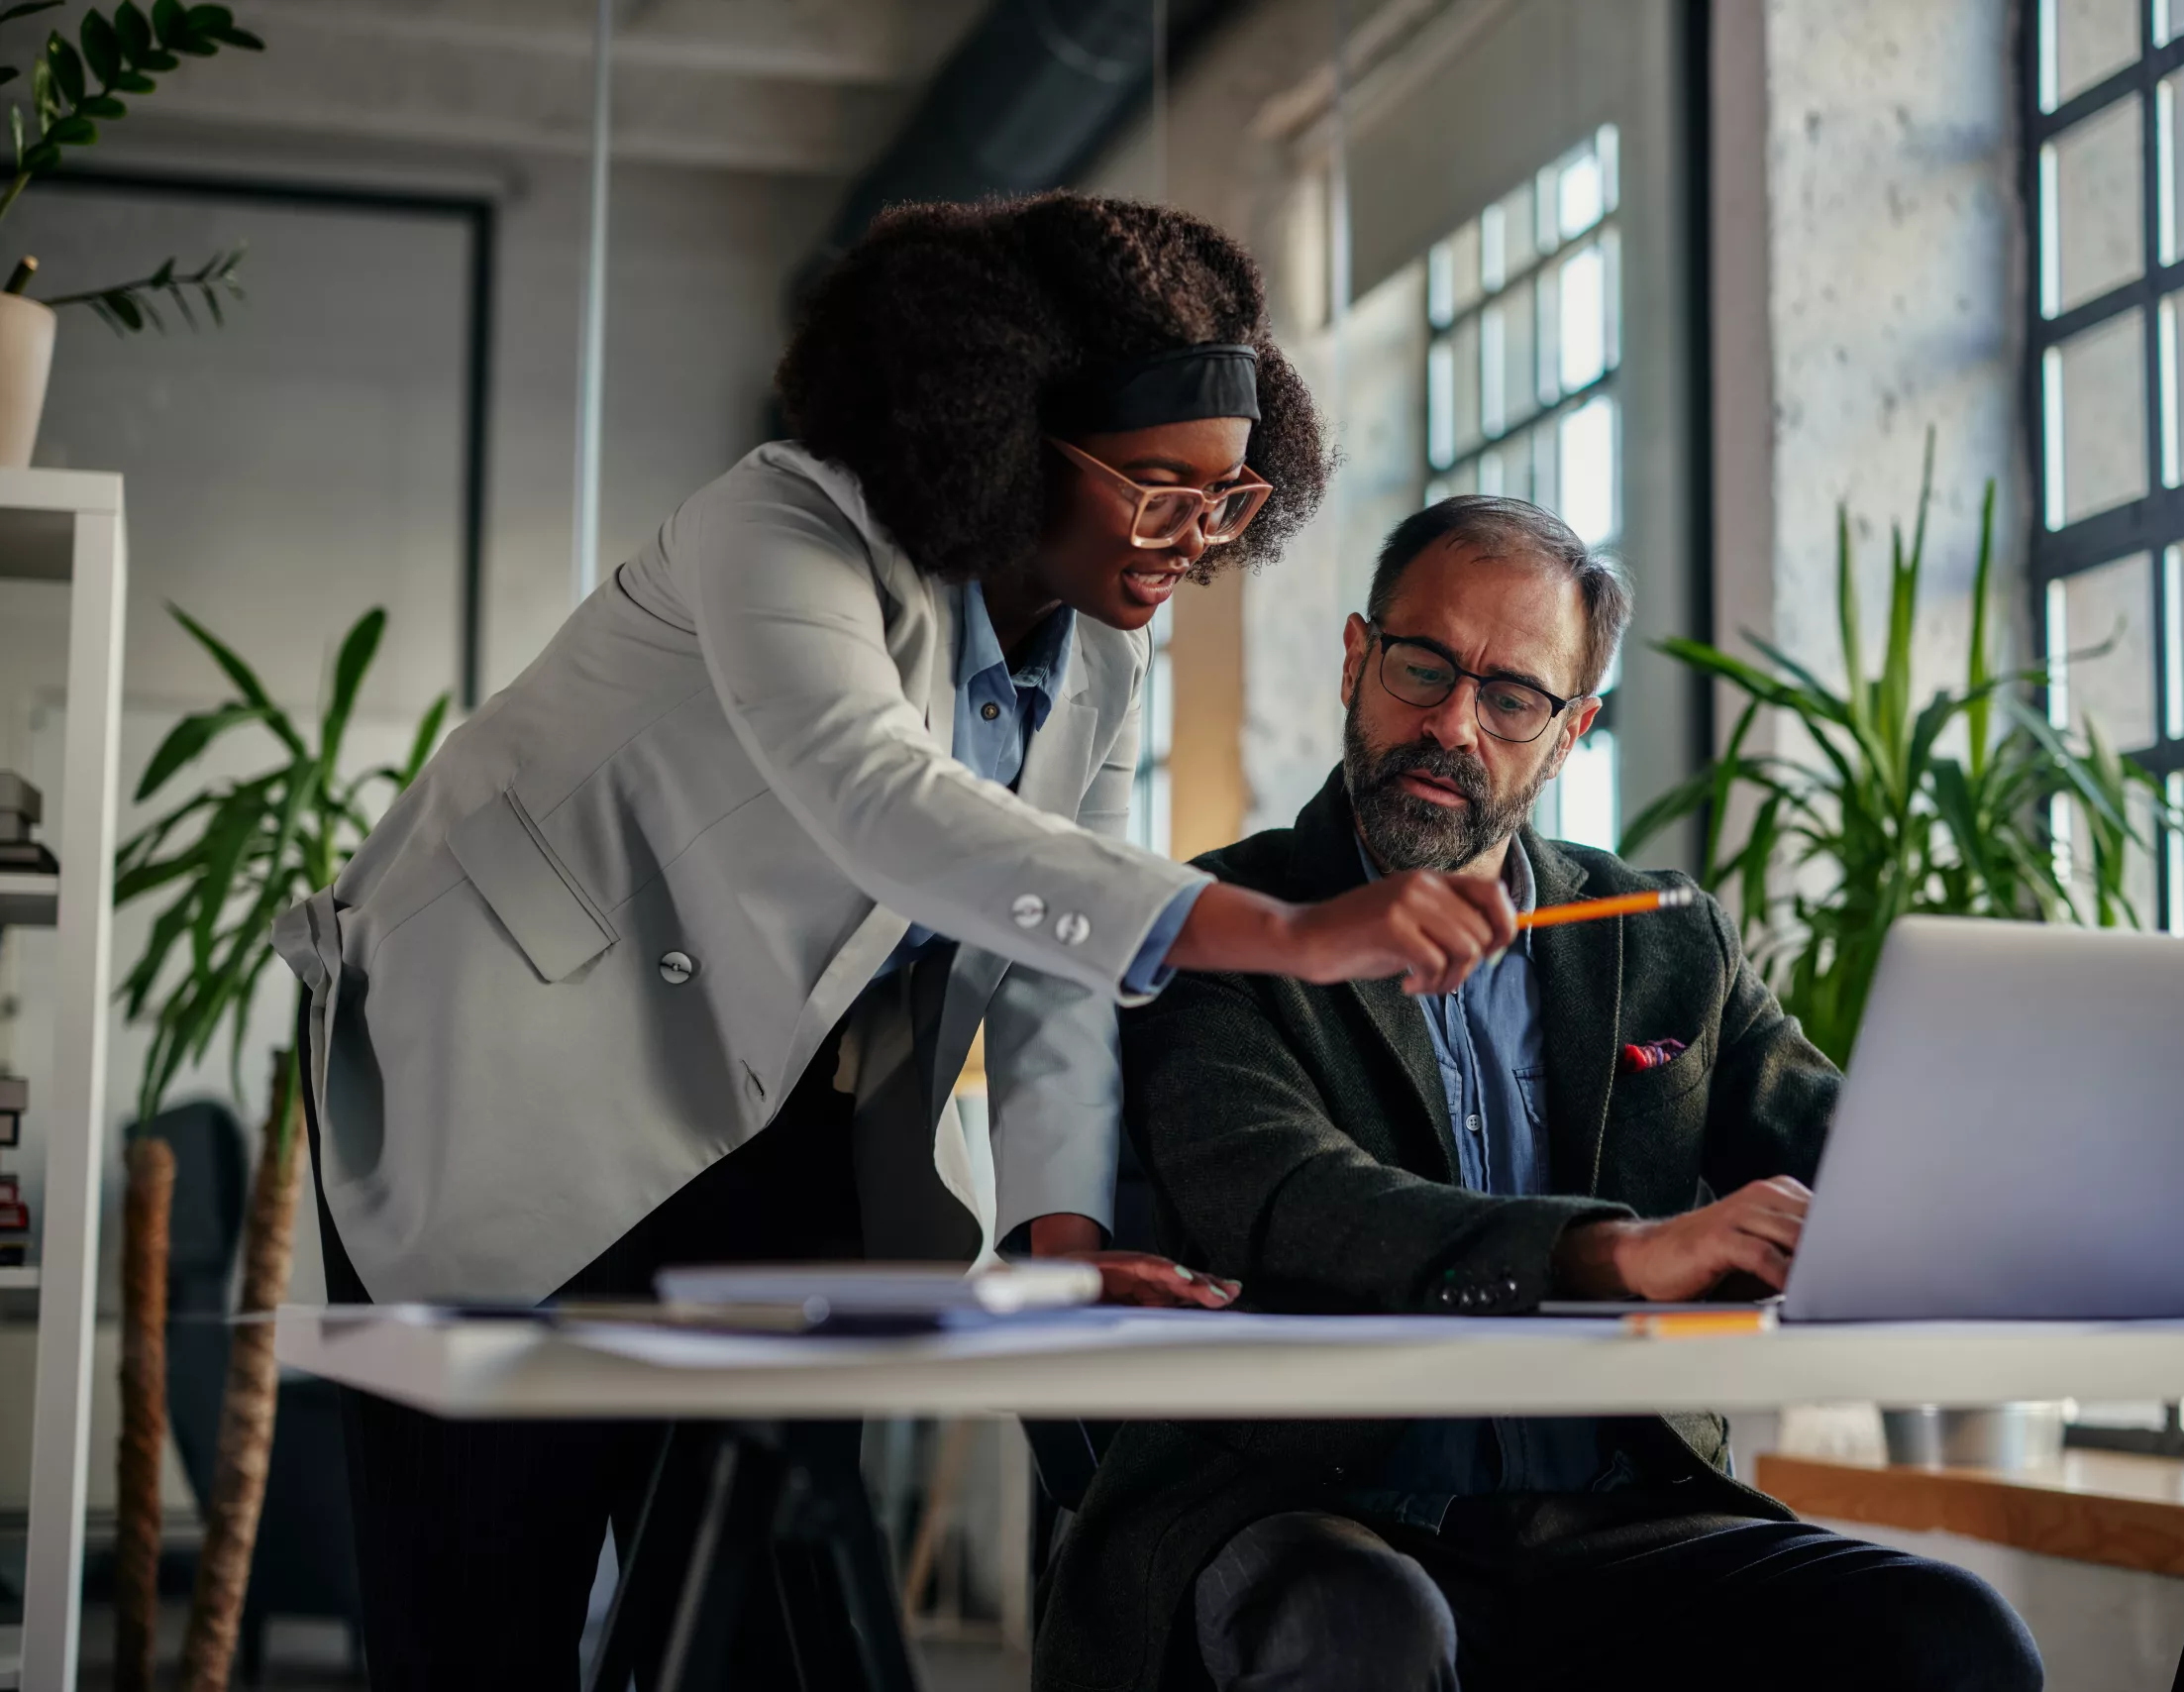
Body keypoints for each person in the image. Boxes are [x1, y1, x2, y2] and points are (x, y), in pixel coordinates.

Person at [268, 194, 1521, 1689]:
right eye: (1155, 490)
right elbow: (887, 807)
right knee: (483, 1620)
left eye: (1229, 503)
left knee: (754, 1613)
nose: (1191, 544)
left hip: (778, 1114)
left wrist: (1065, 1245)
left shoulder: (1105, 654)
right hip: (505, 1073)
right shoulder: (781, 526)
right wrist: (1295, 933)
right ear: (1006, 430)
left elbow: (1054, 956)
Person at [1040, 496, 2045, 1692]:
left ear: (1570, 733)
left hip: (1609, 1511)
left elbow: (1847, 1150)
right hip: (1300, 1498)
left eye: (1512, 697)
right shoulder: (1225, 922)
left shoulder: (1666, 941)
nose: (1452, 724)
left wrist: (2068, 1201)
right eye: (1423, 667)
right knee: (1360, 1633)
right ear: (1358, 659)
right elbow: (1294, 1202)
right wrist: (1616, 1257)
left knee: (1948, 1639)